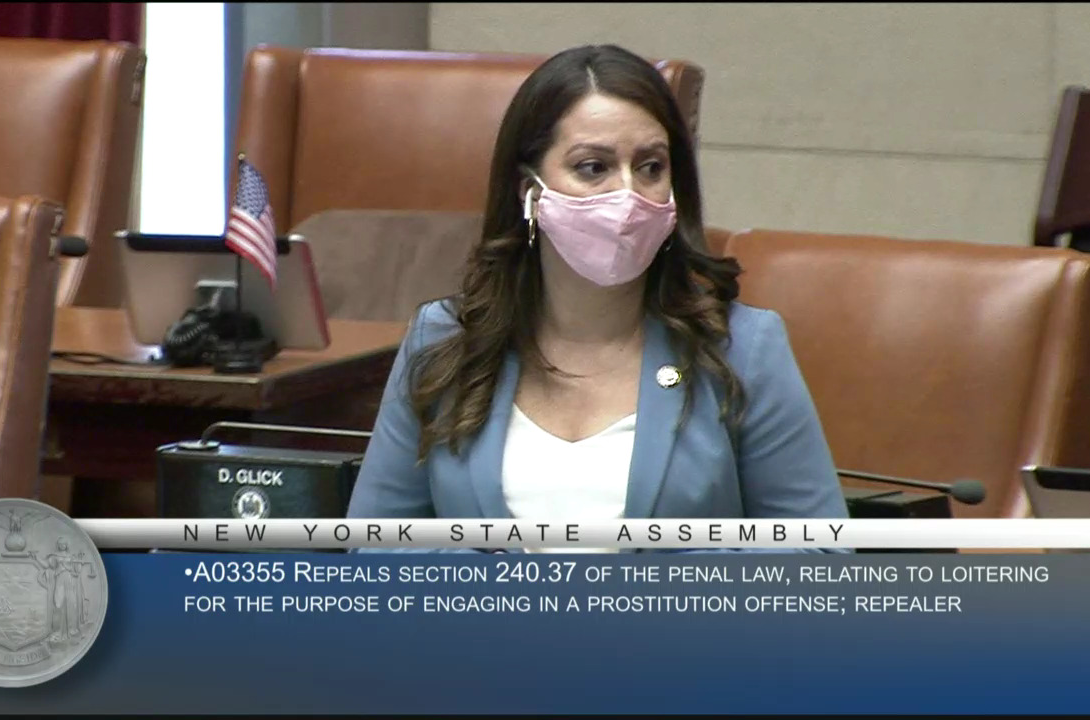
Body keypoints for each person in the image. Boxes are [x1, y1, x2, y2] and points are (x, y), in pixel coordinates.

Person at [346, 44, 848, 552]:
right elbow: (373, 548)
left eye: (650, 167)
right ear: (529, 191)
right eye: (593, 167)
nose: (628, 195)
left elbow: (821, 553)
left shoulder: (742, 349)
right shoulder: (445, 340)